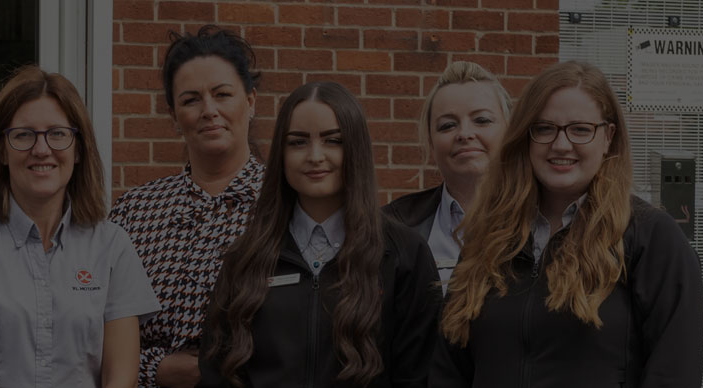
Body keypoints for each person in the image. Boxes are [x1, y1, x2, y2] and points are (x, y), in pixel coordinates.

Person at [434, 61, 703, 387]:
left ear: (608, 137)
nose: (561, 144)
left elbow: (673, 374)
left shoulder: (651, 239)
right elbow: (450, 366)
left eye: (580, 129)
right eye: (545, 128)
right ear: (526, 137)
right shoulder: (487, 238)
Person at [0, 66, 161, 388]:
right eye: (23, 135)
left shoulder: (112, 246)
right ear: (1, 151)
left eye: (57, 133)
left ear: (78, 149)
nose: (41, 149)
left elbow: (121, 378)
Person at [196, 82, 439, 388]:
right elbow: (216, 375)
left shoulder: (403, 254)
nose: (314, 155)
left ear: (355, 148)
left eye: (332, 141)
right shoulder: (245, 258)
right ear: (281, 155)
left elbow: (420, 374)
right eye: (297, 142)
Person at [108, 25, 264, 388]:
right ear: (174, 115)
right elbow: (94, 327)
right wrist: (157, 369)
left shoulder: (284, 204)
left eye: (222, 94)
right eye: (191, 100)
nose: (209, 110)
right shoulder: (134, 211)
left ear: (251, 102)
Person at [382, 61, 512, 294]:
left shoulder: (542, 222)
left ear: (509, 131)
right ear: (431, 143)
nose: (464, 134)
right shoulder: (392, 227)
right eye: (447, 125)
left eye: (482, 120)